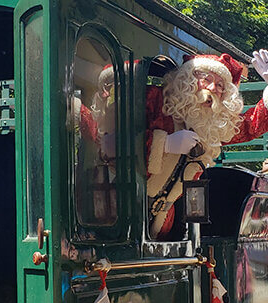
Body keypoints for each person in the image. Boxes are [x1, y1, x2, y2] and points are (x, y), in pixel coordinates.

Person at [78, 50, 268, 239]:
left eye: (220, 85)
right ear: (188, 80)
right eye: (207, 79)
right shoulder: (154, 98)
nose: (213, 88)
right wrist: (164, 143)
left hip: (161, 224)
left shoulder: (210, 125)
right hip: (116, 210)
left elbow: (250, 126)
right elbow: (111, 139)